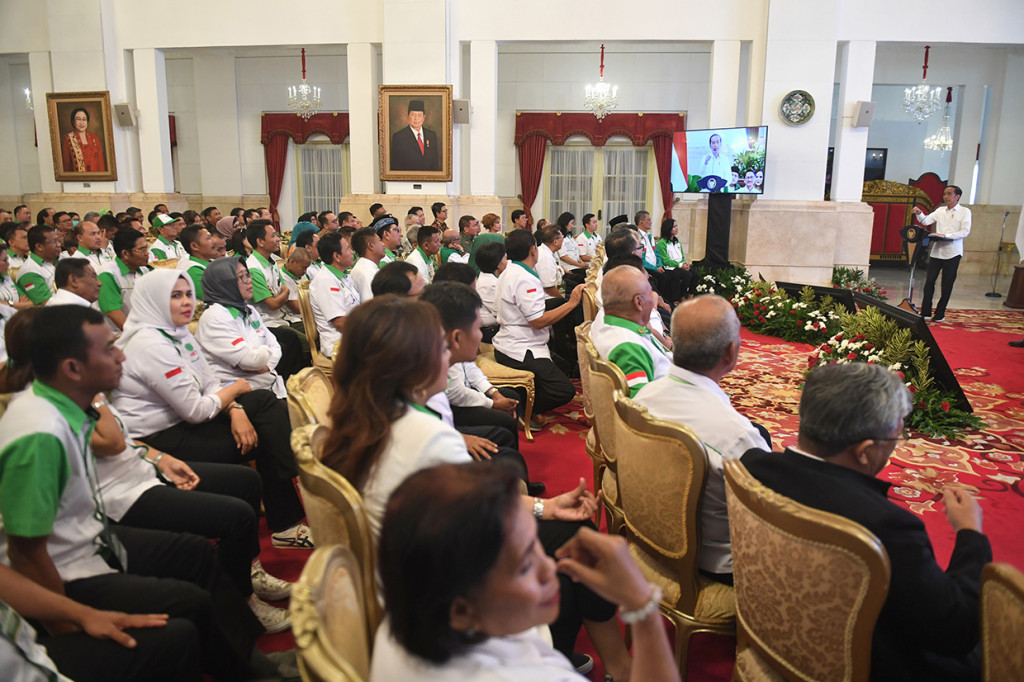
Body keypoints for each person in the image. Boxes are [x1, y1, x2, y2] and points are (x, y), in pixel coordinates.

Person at [321, 297, 632, 677]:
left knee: (565, 533)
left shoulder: (367, 412)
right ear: (413, 362)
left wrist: (542, 508)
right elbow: (473, 526)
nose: (447, 352)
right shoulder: (424, 435)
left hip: (407, 565)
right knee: (574, 549)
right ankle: (605, 663)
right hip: (441, 581)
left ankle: (600, 659)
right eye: (438, 344)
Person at [0, 305, 276, 681]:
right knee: (184, 614)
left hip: (91, 537)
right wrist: (70, 623)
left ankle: (253, 664)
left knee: (195, 554)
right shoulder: (39, 434)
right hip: (70, 567)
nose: (122, 355)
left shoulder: (62, 401)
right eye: (109, 349)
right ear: (72, 368)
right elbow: (26, 552)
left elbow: (125, 443)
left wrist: (157, 457)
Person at [742, 362, 991, 681]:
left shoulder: (754, 466)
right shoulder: (887, 525)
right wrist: (970, 534)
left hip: (771, 629)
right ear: (864, 451)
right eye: (895, 437)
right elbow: (954, 632)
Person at [370, 462, 681, 682]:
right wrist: (643, 607)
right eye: (525, 566)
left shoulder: (403, 620)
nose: (550, 566)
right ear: (462, 610)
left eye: (535, 545)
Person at [110, 269, 312, 550]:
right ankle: (298, 491)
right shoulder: (148, 343)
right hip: (160, 439)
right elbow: (195, 409)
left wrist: (236, 408)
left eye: (189, 295)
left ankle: (295, 490)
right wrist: (236, 390)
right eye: (175, 296)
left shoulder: (177, 333)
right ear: (152, 300)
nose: (186, 302)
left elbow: (211, 383)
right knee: (267, 432)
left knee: (263, 403)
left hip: (188, 421)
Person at [633, 295, 769, 585]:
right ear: (731, 353)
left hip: (649, 532)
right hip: (713, 564)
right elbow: (768, 519)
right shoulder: (738, 438)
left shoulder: (643, 397)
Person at [493, 230, 583, 415]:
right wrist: (572, 303)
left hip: (511, 340)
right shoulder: (524, 277)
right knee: (564, 390)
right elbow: (538, 321)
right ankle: (520, 410)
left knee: (564, 367)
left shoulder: (511, 270)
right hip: (520, 347)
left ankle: (523, 396)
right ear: (533, 250)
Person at [196, 257, 287, 399]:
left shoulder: (248, 309)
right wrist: (265, 352)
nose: (249, 280)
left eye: (247, 274)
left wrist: (267, 365)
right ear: (225, 284)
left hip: (267, 383)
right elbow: (251, 361)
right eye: (241, 277)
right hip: (240, 393)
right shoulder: (215, 317)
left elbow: (276, 346)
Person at [591, 265, 671, 397]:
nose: (654, 299)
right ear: (638, 302)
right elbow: (642, 405)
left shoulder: (611, 325)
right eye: (650, 293)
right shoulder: (629, 346)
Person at [913, 185, 972, 323]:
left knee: (947, 284)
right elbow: (925, 220)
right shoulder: (940, 210)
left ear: (957, 196)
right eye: (945, 194)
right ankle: (926, 311)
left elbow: (965, 231)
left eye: (949, 194)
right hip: (937, 251)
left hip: (953, 252)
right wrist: (919, 212)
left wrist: (945, 235)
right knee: (929, 283)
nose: (945, 196)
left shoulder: (964, 212)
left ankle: (940, 313)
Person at [308, 231, 360, 359]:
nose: (352, 252)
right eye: (348, 249)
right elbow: (340, 322)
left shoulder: (343, 276)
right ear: (337, 256)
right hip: (338, 343)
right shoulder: (325, 281)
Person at [97, 227, 153, 330]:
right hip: (119, 337)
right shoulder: (108, 274)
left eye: (146, 248)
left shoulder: (145, 271)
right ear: (125, 254)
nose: (147, 253)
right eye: (142, 250)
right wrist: (139, 336)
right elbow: (112, 311)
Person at [17, 225, 61, 306]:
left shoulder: (60, 259)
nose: (58, 245)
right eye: (53, 242)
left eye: (58, 240)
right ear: (39, 246)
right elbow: (46, 304)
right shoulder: (30, 271)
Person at [390, 100, 440, 171]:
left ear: (424, 117)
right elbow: (395, 165)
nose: (416, 118)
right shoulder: (399, 137)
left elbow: (435, 163)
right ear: (407, 116)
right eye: (413, 115)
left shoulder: (431, 135)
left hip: (429, 179)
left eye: (419, 115)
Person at [474, 240, 506, 342]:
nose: (508, 262)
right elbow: (502, 313)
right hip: (489, 332)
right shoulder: (489, 284)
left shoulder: (492, 278)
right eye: (506, 259)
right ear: (497, 264)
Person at [61, 107, 106, 173]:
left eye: (84, 119)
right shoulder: (68, 139)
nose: (81, 123)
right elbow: (66, 167)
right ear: (73, 122)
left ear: (87, 122)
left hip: (96, 180)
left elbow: (101, 165)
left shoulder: (95, 138)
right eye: (78, 119)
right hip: (78, 181)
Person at [655, 218, 692, 296]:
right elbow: (665, 260)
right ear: (668, 228)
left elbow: (681, 256)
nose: (676, 228)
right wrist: (681, 265)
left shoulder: (676, 241)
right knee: (685, 275)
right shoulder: (662, 243)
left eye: (676, 226)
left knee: (694, 274)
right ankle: (680, 297)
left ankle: (690, 295)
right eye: (674, 226)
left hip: (679, 265)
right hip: (669, 267)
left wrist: (685, 264)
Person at [349, 226, 386, 301]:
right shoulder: (364, 273)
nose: (383, 244)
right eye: (379, 241)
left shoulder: (369, 267)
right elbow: (371, 305)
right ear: (370, 245)